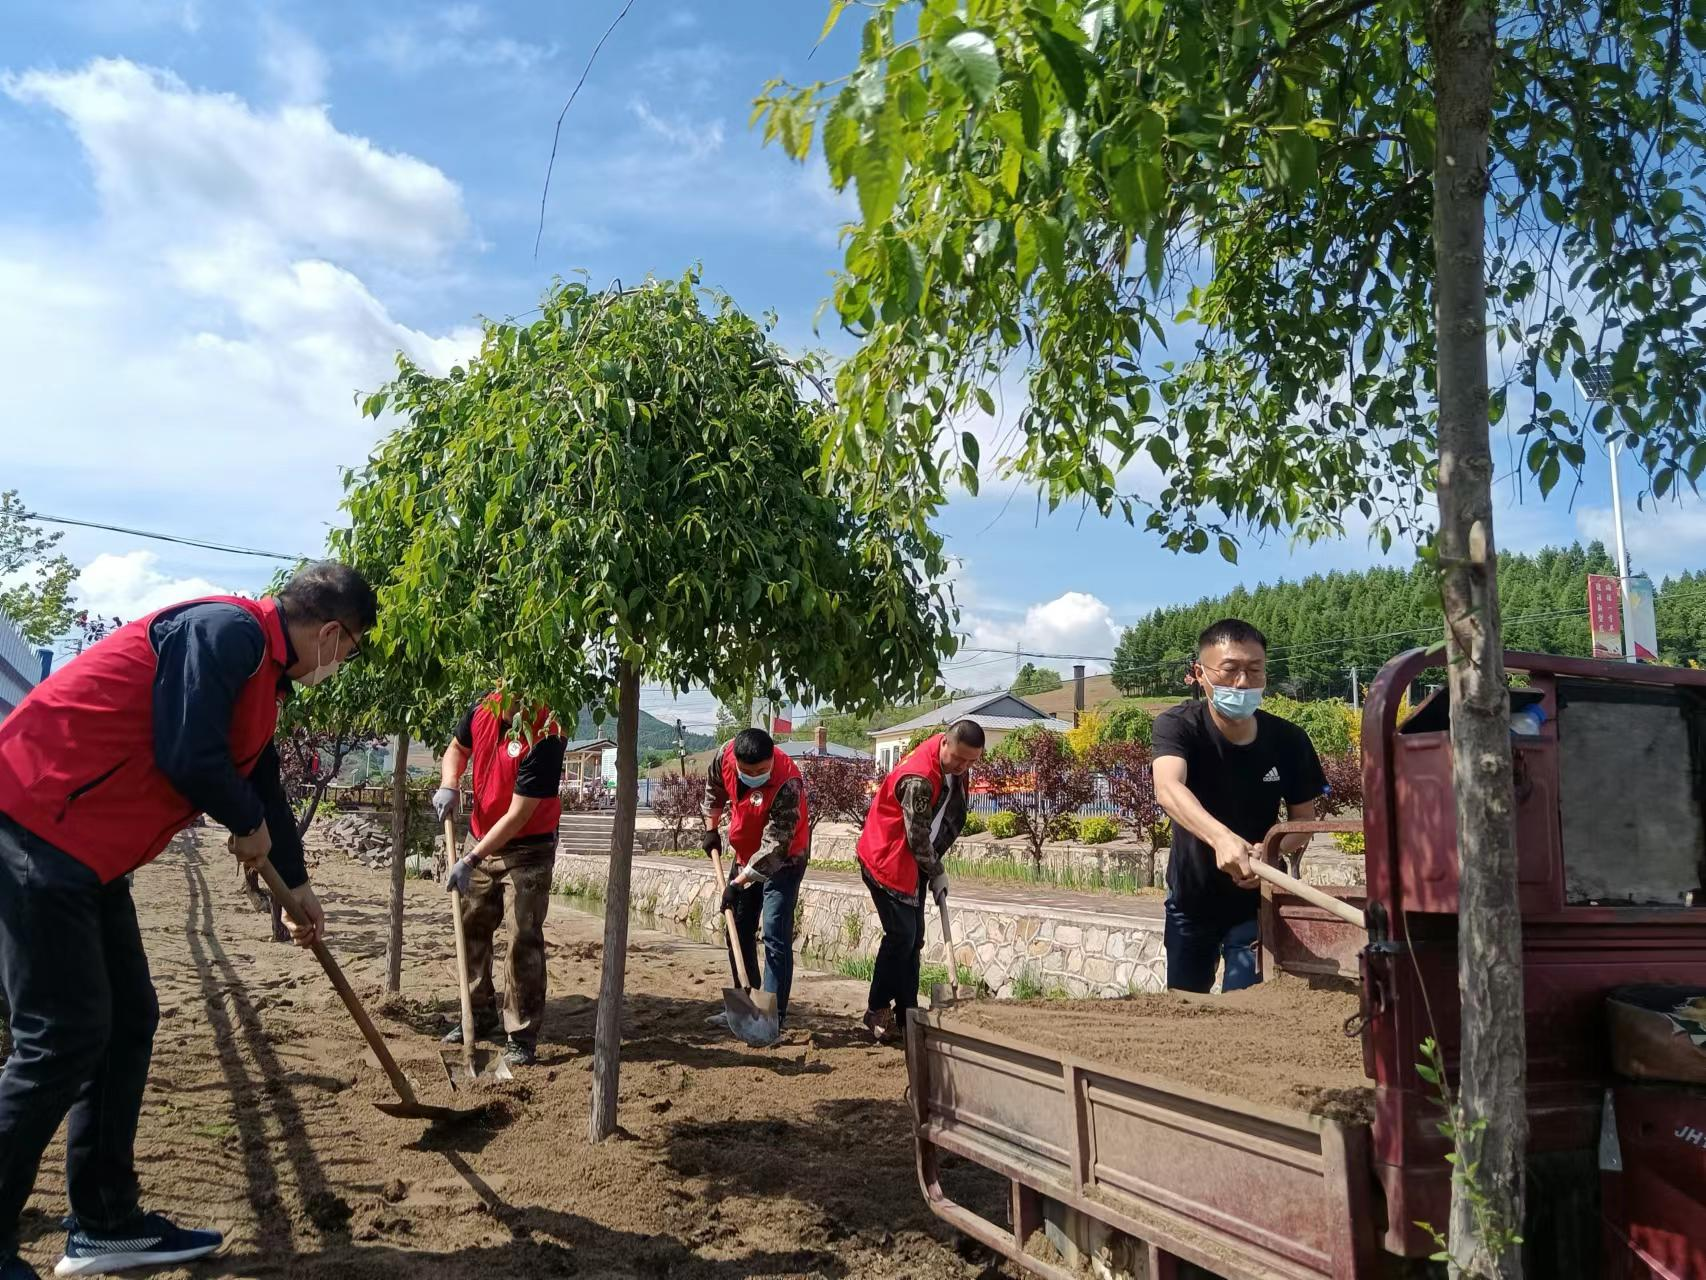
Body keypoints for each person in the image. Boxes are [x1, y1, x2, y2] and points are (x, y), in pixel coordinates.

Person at [0, 562, 373, 1280]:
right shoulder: (225, 630)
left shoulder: (263, 678)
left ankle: (106, 1224)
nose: (344, 663)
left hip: (86, 852)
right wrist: (242, 823)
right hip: (35, 822)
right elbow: (188, 751)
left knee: (127, 1020)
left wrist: (297, 889)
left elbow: (259, 782)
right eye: (351, 648)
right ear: (331, 633)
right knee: (62, 1037)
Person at [1152, 618, 1326, 994]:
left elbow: (1304, 821)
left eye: (1255, 670)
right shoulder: (1178, 726)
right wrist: (1222, 839)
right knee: (1184, 1005)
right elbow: (1168, 788)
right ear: (1201, 673)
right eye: (1230, 671)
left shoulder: (1289, 740)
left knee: (1246, 1004)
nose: (1243, 683)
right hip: (1190, 900)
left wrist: (1270, 852)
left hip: (1257, 900)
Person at [432, 693, 566, 1068]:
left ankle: (521, 1034)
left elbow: (519, 816)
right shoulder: (482, 709)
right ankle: (477, 1014)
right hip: (481, 835)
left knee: (523, 937)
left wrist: (470, 858)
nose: (507, 703)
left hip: (529, 848)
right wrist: (450, 782)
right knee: (470, 925)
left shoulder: (547, 733)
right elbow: (456, 748)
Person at [854, 720, 985, 1042]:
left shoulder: (953, 764)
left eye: (972, 761)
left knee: (914, 940)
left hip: (912, 864)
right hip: (887, 858)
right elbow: (916, 836)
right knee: (901, 935)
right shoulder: (918, 779)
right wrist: (937, 870)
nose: (964, 767)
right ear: (945, 744)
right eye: (959, 759)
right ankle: (876, 1008)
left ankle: (907, 1010)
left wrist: (931, 869)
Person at [700, 728, 809, 1042]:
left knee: (775, 932)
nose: (755, 777)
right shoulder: (725, 756)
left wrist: (736, 882)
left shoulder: (788, 783)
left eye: (761, 771)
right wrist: (711, 829)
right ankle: (745, 1005)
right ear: (736, 761)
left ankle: (772, 1018)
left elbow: (775, 848)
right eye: (747, 772)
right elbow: (713, 790)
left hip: (785, 859)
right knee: (738, 924)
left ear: (772, 759)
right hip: (745, 851)